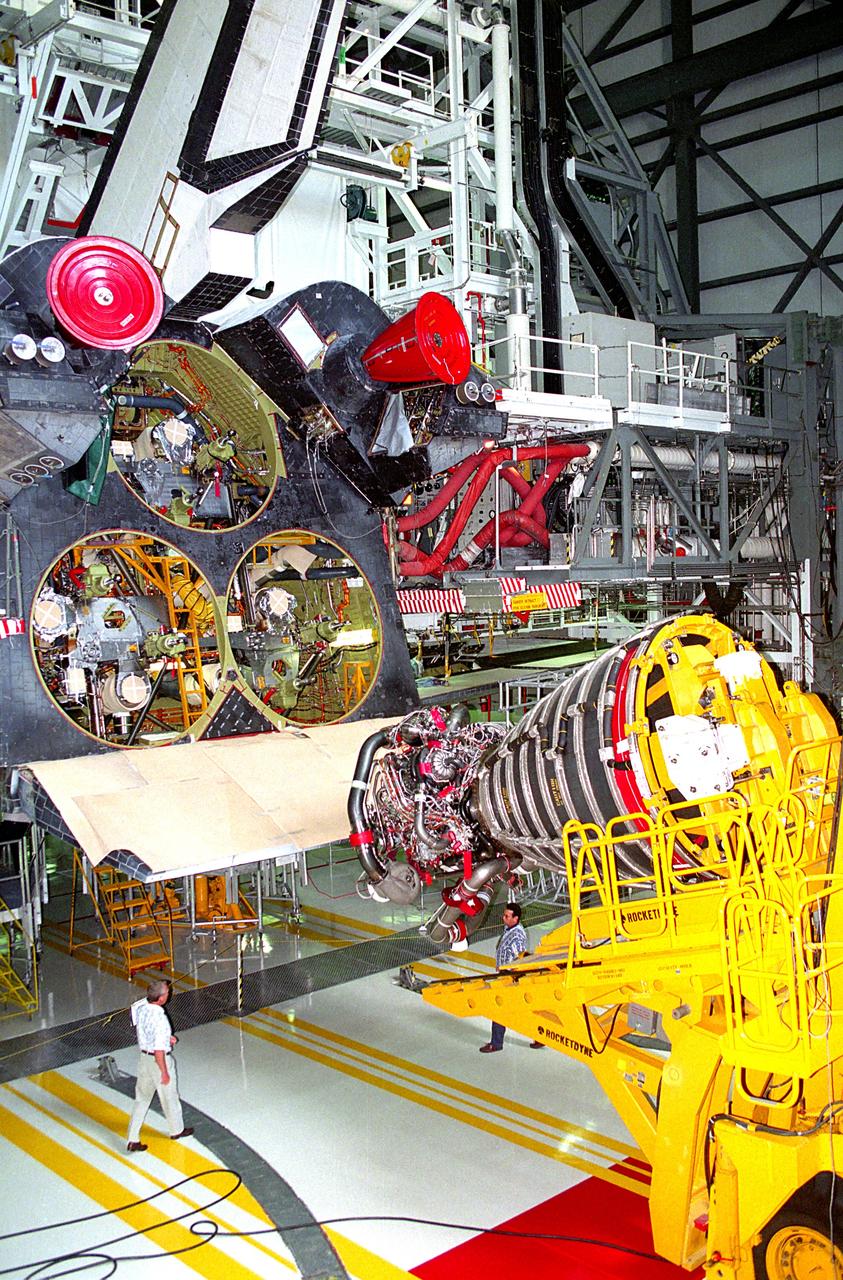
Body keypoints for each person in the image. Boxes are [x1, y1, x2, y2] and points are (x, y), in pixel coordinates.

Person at [126, 978, 193, 1152]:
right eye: (167, 993)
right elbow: (158, 1051)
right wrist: (164, 1072)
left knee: (141, 1098)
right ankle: (176, 1130)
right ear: (161, 998)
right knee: (169, 1097)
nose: (169, 994)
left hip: (144, 1060)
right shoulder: (160, 1019)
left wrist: (166, 1038)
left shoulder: (142, 1008)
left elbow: (148, 1032)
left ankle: (132, 1138)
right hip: (158, 1061)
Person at [479, 902, 527, 1053]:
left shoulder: (517, 935)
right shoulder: (510, 928)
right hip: (505, 974)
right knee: (521, 1009)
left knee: (499, 1007)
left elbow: (519, 960)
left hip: (509, 976)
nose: (503, 918)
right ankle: (539, 1038)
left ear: (515, 918)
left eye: (507, 916)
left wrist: (508, 974)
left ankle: (496, 1043)